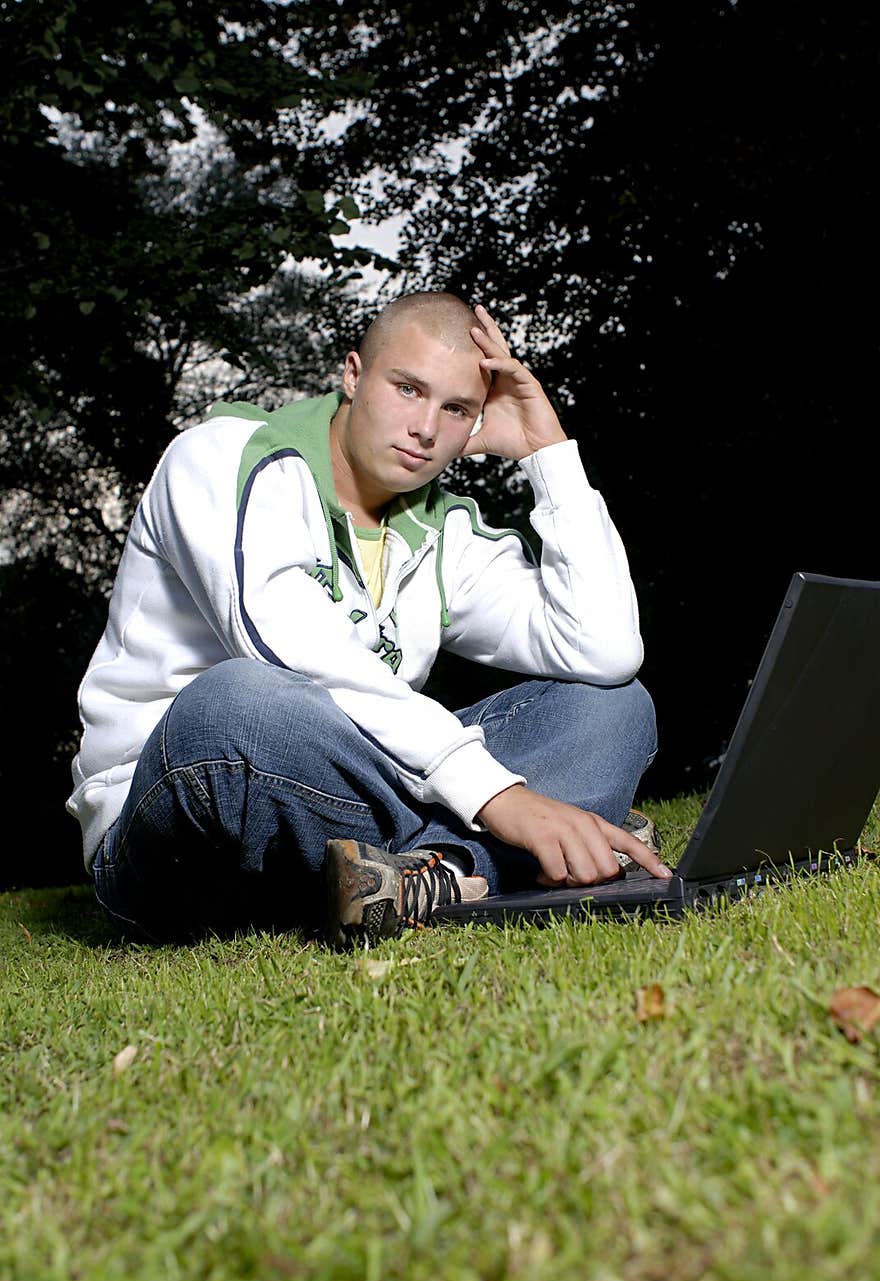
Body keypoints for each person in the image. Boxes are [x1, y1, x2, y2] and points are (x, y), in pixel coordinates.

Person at [67, 291, 671, 948]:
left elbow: (605, 648)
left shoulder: (444, 530)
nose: (425, 427)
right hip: (180, 822)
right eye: (408, 388)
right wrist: (504, 800)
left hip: (335, 822)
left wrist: (548, 455)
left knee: (611, 705)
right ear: (353, 374)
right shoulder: (225, 458)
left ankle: (419, 876)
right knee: (236, 700)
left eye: (456, 408)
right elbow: (296, 657)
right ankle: (503, 853)